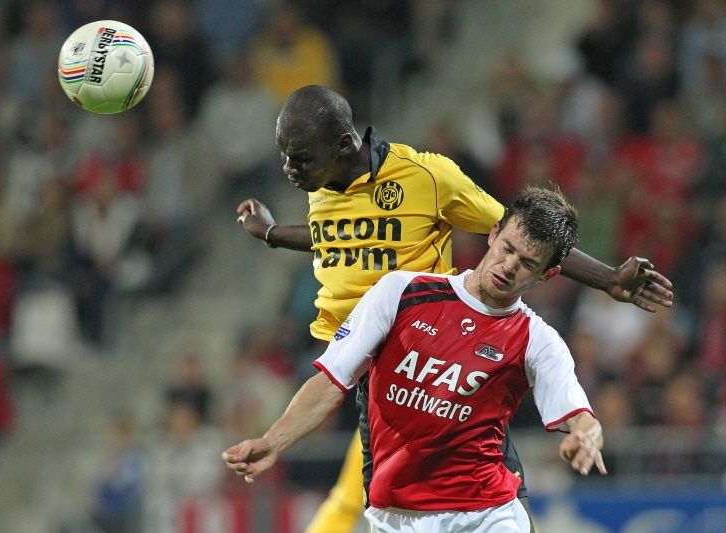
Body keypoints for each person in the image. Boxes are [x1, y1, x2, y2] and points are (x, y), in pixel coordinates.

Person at [235, 85, 672, 533]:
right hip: (367, 363)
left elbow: (524, 236)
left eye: (301, 159)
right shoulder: (323, 184)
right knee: (367, 496)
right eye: (286, 157)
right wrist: (272, 234)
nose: (290, 169)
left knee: (449, 481)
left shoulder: (427, 180)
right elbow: (334, 236)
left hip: (435, 345)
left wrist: (608, 279)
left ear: (343, 145)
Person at [224, 185, 606, 532]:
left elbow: (579, 414)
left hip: (486, 514)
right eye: (507, 248)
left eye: (527, 263)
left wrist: (587, 436)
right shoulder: (402, 292)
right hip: (396, 518)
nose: (508, 266)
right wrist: (273, 441)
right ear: (493, 234)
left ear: (548, 275)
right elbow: (331, 381)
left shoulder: (537, 339)